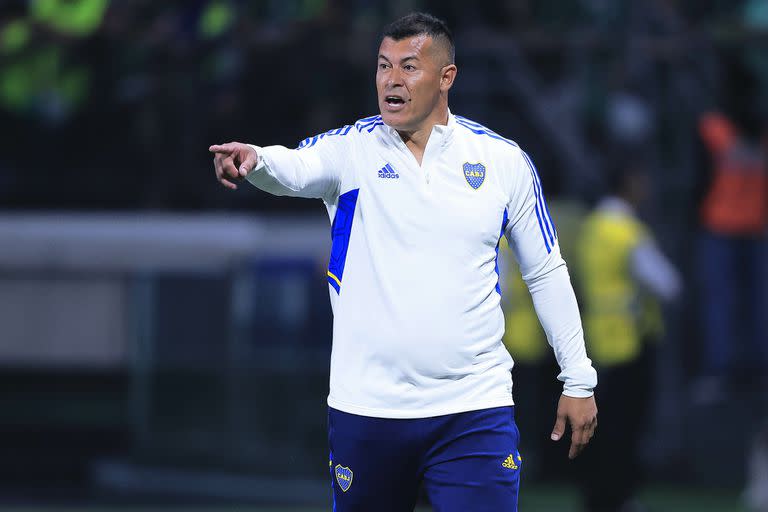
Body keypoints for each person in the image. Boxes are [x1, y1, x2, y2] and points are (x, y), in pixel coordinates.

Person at [210, 12, 597, 511]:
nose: (391, 79)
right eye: (383, 66)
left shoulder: (503, 161)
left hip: (473, 409)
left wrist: (578, 377)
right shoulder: (353, 149)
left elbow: (545, 271)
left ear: (446, 77)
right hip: (366, 409)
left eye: (409, 67)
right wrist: (255, 160)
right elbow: (296, 166)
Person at [575, 162, 681, 512]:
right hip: (632, 342)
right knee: (627, 429)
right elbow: (668, 285)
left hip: (597, 341)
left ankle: (597, 496)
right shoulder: (626, 232)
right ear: (629, 183)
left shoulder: (592, 228)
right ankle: (620, 497)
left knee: (602, 428)